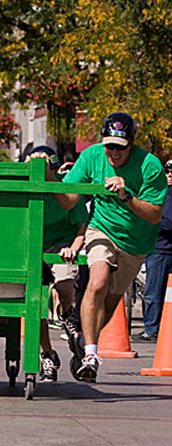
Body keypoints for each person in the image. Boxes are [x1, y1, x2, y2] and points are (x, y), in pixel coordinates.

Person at [46, 112, 167, 382]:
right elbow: (67, 201)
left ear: (131, 143)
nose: (113, 152)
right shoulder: (91, 157)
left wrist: (126, 196)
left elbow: (155, 214)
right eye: (109, 145)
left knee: (110, 301)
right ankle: (90, 355)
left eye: (120, 147)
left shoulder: (150, 166)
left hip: (135, 243)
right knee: (98, 280)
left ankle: (82, 346)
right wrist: (47, 176)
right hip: (101, 229)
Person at [28, 145, 88, 382]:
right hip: (35, 248)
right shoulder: (27, 185)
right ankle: (48, 355)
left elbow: (81, 226)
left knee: (64, 286)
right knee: (37, 307)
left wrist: (73, 248)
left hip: (63, 246)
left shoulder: (67, 188)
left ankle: (69, 316)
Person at [134, 159, 172, 341]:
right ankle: (152, 328)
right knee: (153, 292)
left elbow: (164, 221)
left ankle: (155, 329)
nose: (170, 175)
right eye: (168, 171)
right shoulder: (159, 193)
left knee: (158, 293)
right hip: (157, 249)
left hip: (163, 249)